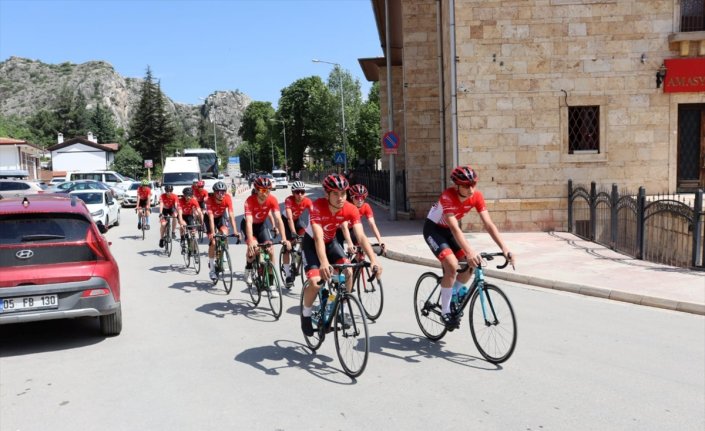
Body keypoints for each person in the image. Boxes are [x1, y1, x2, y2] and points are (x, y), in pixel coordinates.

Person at [423, 165, 514, 330]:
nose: (471, 188)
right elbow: (455, 228)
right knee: (451, 265)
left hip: (449, 232)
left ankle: (454, 292)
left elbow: (489, 224)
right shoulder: (447, 197)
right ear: (457, 186)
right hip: (434, 230)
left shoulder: (476, 196)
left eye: (473, 184)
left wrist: (505, 248)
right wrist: (470, 251)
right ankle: (445, 312)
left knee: (471, 264)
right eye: (466, 185)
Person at [300, 173, 383, 336]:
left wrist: (374, 260)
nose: (340, 198)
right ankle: (306, 314)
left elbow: (361, 236)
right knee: (316, 282)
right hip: (311, 244)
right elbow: (317, 237)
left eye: (343, 194)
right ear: (327, 194)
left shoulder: (351, 209)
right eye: (336, 194)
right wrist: (324, 263)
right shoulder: (317, 206)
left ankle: (342, 309)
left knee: (348, 271)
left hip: (331, 243)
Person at [242, 176, 290, 297]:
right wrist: (251, 241)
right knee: (255, 249)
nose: (266, 193)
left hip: (262, 225)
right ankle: (248, 268)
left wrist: (284, 239)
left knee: (270, 250)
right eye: (263, 190)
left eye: (268, 190)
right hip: (250, 226)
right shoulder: (249, 201)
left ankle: (271, 284)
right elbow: (248, 222)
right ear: (257, 190)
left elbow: (279, 219)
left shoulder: (272, 200)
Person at [336, 183, 385, 256]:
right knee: (340, 256)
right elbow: (344, 227)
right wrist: (350, 243)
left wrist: (380, 241)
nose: (360, 200)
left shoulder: (366, 206)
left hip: (352, 230)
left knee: (362, 251)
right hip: (338, 231)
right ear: (352, 197)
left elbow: (372, 224)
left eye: (362, 197)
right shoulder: (346, 205)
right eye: (357, 197)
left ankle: (357, 266)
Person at [281, 180, 313, 285]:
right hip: (286, 221)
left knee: (304, 238)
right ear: (293, 193)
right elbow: (289, 218)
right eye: (297, 192)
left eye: (302, 192)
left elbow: (314, 216)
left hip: (297, 221)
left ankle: (296, 256)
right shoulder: (289, 200)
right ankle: (287, 273)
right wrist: (293, 233)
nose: (299, 195)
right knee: (287, 246)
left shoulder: (307, 201)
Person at [177, 187, 204, 253]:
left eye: (190, 195)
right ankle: (182, 240)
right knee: (183, 226)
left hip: (189, 216)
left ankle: (193, 248)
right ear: (184, 195)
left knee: (193, 232)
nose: (188, 197)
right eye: (186, 195)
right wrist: (181, 223)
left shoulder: (194, 200)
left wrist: (202, 223)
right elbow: (180, 214)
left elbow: (200, 212)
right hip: (182, 216)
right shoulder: (180, 201)